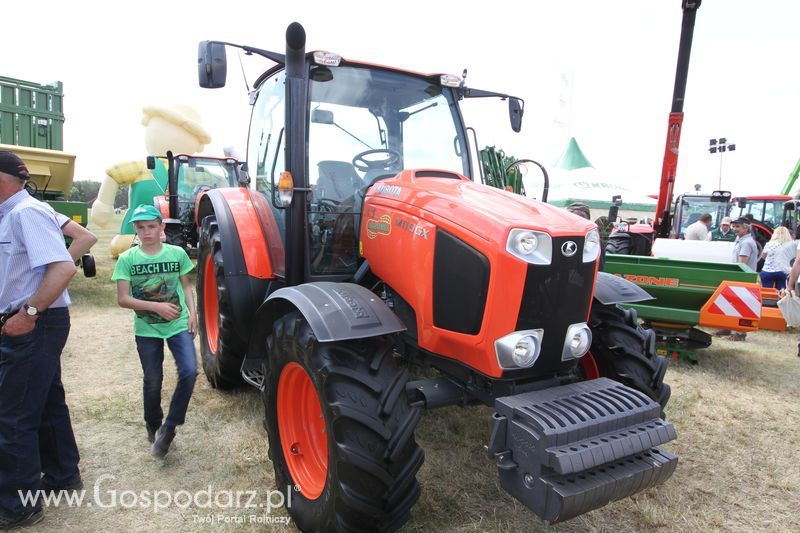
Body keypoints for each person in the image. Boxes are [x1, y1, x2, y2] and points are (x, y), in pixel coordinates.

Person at [0, 151, 81, 529]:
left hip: (36, 322)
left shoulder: (24, 213)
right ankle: (62, 474)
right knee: (46, 400)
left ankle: (17, 506)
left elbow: (63, 266)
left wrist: (28, 314)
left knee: (13, 413)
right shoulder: (15, 213)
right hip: (37, 320)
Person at [112, 204, 197, 458]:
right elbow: (123, 299)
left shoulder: (177, 253)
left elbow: (186, 285)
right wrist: (156, 307)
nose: (147, 232)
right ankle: (154, 424)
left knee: (190, 371)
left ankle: (170, 427)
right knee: (153, 381)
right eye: (141, 228)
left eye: (151, 226)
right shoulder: (127, 259)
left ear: (161, 227)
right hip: (146, 328)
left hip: (178, 324)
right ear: (135, 231)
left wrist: (193, 313)